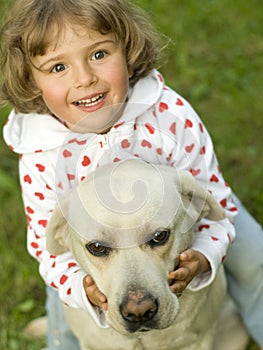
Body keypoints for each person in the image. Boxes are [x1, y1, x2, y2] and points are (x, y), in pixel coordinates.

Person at [0, 0, 262, 349]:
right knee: (64, 296)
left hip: (192, 204)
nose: (84, 78)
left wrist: (203, 256)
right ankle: (59, 338)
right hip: (93, 247)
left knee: (255, 260)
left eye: (98, 55)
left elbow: (211, 200)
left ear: (127, 48)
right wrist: (81, 287)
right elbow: (49, 249)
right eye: (58, 66)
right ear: (31, 79)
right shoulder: (41, 153)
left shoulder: (169, 115)